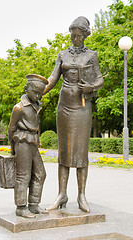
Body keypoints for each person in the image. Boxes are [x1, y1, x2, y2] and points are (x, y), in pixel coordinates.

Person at [43, 16, 104, 213]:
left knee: (80, 152)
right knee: (64, 151)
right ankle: (62, 194)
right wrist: (38, 93)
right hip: (65, 106)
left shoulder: (92, 55)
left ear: (85, 35)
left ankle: (81, 195)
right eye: (73, 35)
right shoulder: (62, 54)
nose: (75, 39)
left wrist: (91, 87)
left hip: (82, 107)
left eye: (79, 36)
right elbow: (53, 78)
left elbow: (100, 79)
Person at [8, 74, 48, 218]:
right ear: (26, 89)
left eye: (40, 93)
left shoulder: (36, 106)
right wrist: (12, 148)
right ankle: (21, 207)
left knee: (40, 174)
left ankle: (33, 204)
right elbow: (11, 128)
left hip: (33, 142)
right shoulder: (19, 108)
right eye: (35, 92)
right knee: (23, 176)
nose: (38, 95)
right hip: (22, 141)